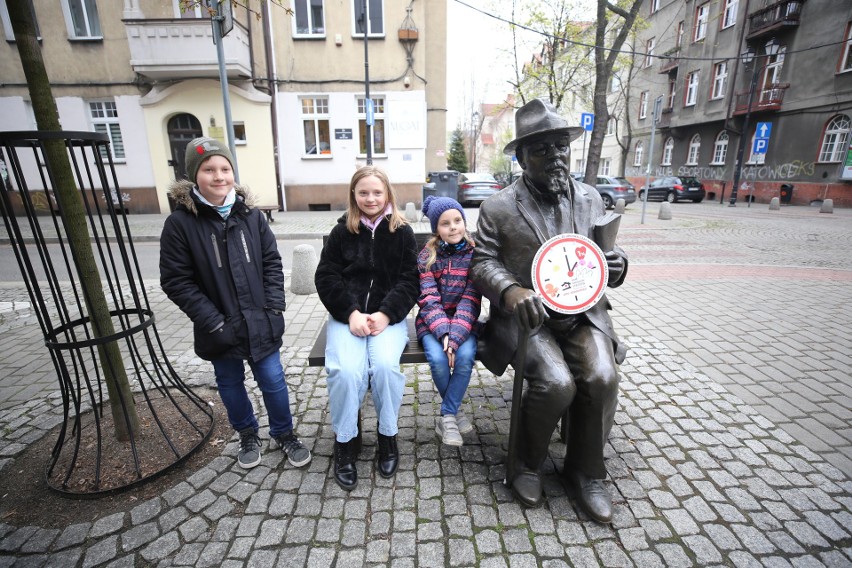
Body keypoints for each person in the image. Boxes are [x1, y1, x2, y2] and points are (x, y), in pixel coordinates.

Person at [470, 99, 628, 522]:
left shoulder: (592, 198)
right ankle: (525, 463)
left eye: (560, 146)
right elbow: (481, 262)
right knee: (557, 383)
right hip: (527, 320)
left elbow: (602, 253)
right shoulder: (498, 207)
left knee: (602, 375)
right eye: (541, 149)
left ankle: (586, 471)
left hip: (582, 314)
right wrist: (510, 291)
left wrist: (617, 263)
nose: (555, 156)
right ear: (522, 158)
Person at [160, 137, 311, 471]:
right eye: (209, 169)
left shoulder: (251, 217)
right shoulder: (180, 225)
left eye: (225, 168)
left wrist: (274, 306)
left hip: (261, 320)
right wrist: (212, 321)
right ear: (194, 176)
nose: (219, 176)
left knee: (273, 380)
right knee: (229, 384)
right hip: (218, 327)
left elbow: (272, 262)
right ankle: (247, 433)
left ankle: (284, 433)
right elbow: (176, 281)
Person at [314, 165, 419, 491]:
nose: (370, 198)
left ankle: (388, 437)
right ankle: (345, 442)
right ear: (354, 196)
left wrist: (387, 314)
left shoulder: (402, 232)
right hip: (350, 318)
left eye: (377, 192)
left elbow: (410, 280)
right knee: (346, 371)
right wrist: (351, 313)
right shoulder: (341, 233)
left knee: (386, 367)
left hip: (388, 319)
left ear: (387, 194)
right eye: (363, 192)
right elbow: (326, 276)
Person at [416, 196, 481, 447]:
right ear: (436, 229)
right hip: (432, 324)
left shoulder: (474, 254)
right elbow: (428, 297)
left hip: (465, 324)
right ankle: (454, 413)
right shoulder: (427, 257)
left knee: (464, 358)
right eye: (445, 223)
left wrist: (455, 338)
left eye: (457, 221)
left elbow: (471, 298)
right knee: (438, 359)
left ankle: (446, 415)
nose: (453, 227)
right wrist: (444, 334)